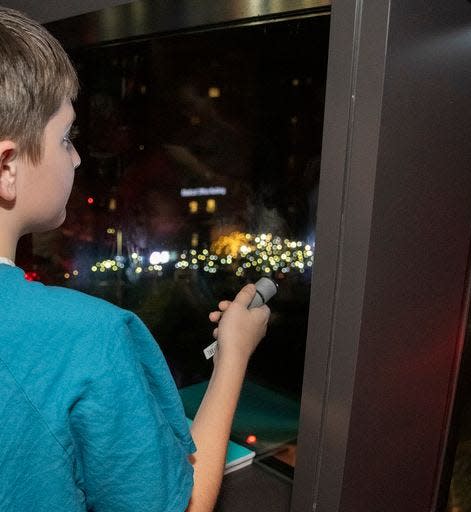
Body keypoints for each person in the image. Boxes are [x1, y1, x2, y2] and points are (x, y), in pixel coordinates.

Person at [0, 7, 270, 512]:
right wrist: (233, 355)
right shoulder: (87, 339)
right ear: (7, 167)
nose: (77, 158)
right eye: (65, 138)